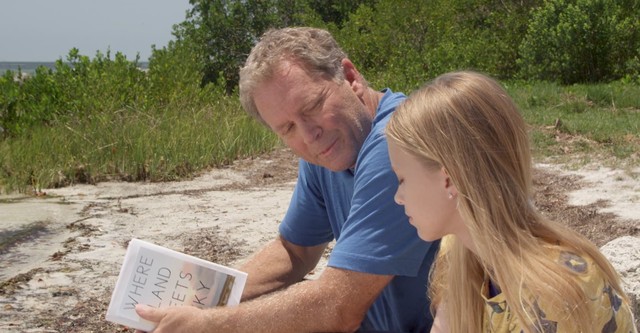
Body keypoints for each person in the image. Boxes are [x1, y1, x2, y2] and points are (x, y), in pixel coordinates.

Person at [134, 27, 440, 333]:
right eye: (288, 128)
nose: (308, 135)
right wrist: (202, 299)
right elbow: (295, 252)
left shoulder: (397, 142)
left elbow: (338, 307)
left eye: (312, 106)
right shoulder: (329, 149)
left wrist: (210, 324)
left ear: (350, 78)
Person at [385, 71, 637, 332]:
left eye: (402, 178)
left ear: (448, 179)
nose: (398, 197)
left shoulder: (549, 300)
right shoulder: (460, 252)